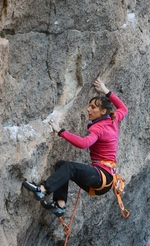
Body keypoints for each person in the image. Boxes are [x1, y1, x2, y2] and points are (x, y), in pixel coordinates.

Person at [22, 78, 128, 217]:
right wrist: (106, 91)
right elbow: (124, 109)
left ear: (103, 111)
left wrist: (60, 131)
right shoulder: (113, 119)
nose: (88, 109)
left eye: (93, 107)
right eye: (89, 106)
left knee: (70, 168)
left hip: (101, 177)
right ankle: (59, 205)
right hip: (103, 179)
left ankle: (42, 189)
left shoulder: (99, 127)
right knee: (62, 165)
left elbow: (84, 143)